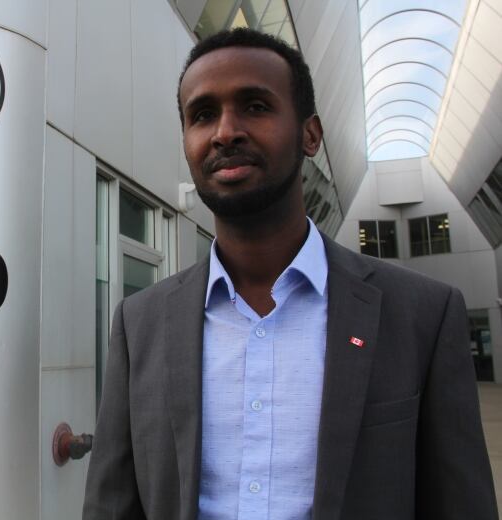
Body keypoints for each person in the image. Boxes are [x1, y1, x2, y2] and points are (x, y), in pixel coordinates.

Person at [83, 27, 498, 520]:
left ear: (311, 134)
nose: (225, 132)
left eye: (255, 106)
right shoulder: (140, 323)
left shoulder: (422, 315)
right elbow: (112, 505)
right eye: (202, 115)